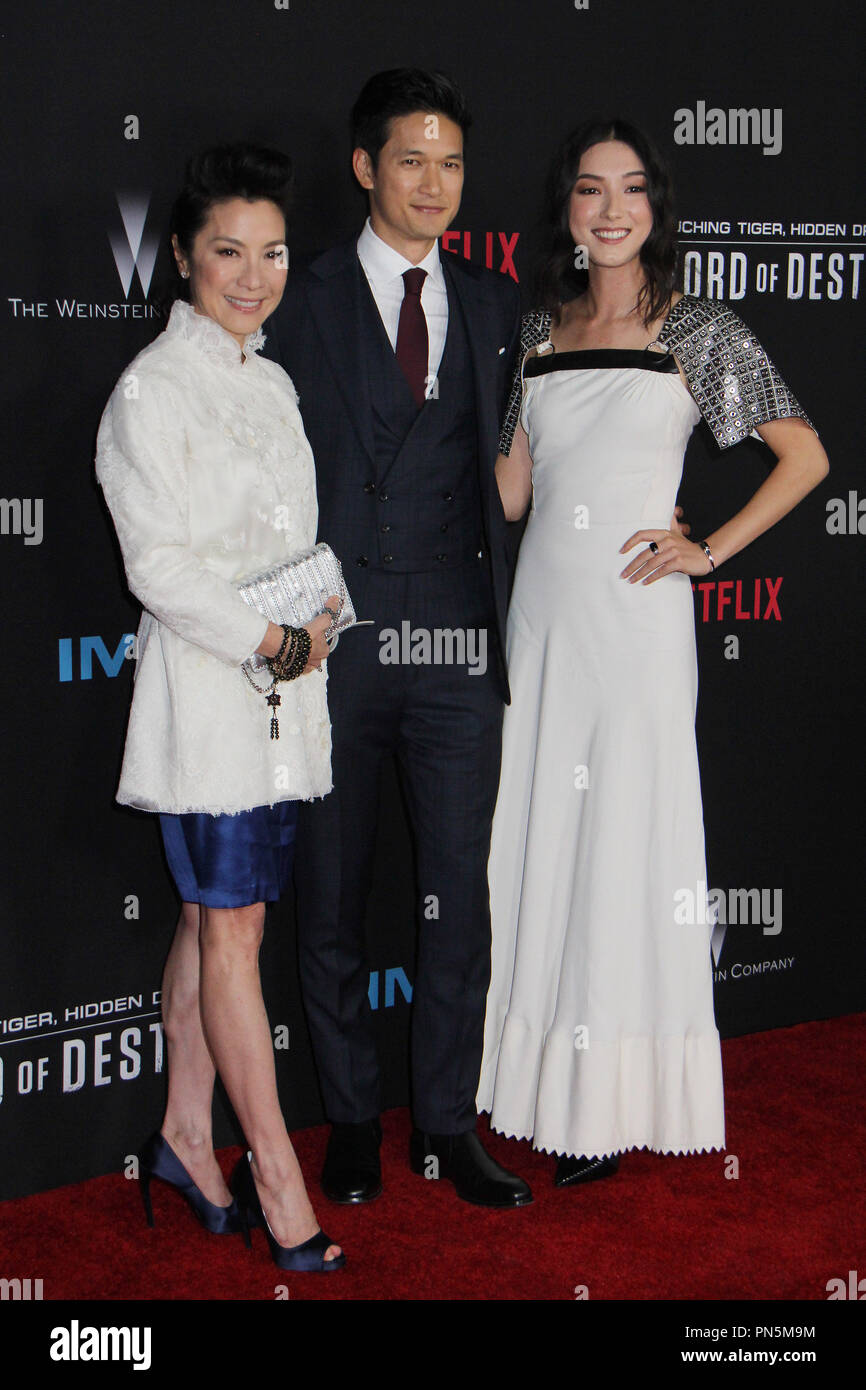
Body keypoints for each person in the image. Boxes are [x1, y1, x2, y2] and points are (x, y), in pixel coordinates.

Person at [477, 118, 828, 1186]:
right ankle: (526, 1084)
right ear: (567, 211)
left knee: (626, 844)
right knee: (535, 835)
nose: (611, 208)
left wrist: (704, 547)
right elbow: (510, 493)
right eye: (589, 190)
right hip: (541, 621)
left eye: (631, 189)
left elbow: (804, 456)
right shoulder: (534, 328)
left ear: (655, 206)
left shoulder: (699, 330)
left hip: (634, 630)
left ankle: (611, 1102)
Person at [263, 69, 532, 1207]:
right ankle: (352, 1126)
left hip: (458, 646)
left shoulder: (489, 302)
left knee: (455, 895)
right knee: (328, 894)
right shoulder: (299, 291)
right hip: (337, 643)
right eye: (411, 161)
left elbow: (524, 464)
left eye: (453, 164)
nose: (435, 185)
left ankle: (441, 1125)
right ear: (366, 166)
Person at [95, 143, 345, 1270]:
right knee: (235, 928)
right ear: (183, 259)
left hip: (281, 703)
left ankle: (185, 1134)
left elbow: (283, 543)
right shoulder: (153, 386)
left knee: (212, 923)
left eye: (272, 252)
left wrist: (314, 615)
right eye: (227, 253)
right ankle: (278, 1180)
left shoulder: (271, 376)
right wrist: (275, 638)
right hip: (210, 706)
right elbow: (158, 566)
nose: (252, 275)